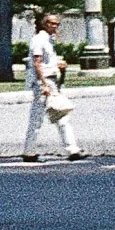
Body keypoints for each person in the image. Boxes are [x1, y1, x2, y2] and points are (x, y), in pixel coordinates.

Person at [23, 11, 87, 162]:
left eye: (56, 24)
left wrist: (57, 65)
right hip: (44, 83)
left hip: (52, 82)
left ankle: (72, 150)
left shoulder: (49, 41)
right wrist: (43, 84)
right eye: (51, 23)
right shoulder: (38, 40)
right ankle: (29, 151)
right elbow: (36, 62)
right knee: (37, 118)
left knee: (61, 115)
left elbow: (45, 62)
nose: (54, 26)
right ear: (43, 24)